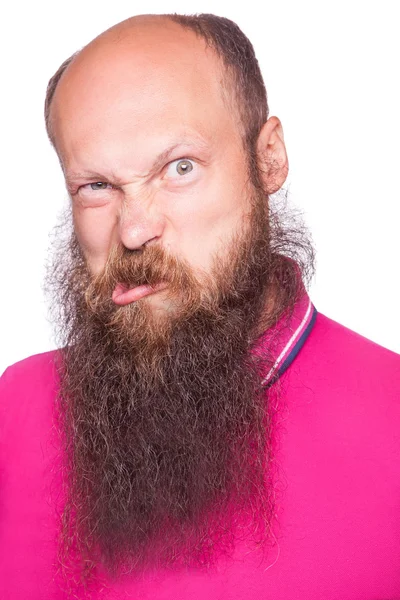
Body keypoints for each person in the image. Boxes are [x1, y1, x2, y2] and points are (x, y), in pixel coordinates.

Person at [0, 13, 399, 600]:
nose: (134, 230)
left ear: (268, 159)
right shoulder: (15, 406)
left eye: (179, 169)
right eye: (97, 186)